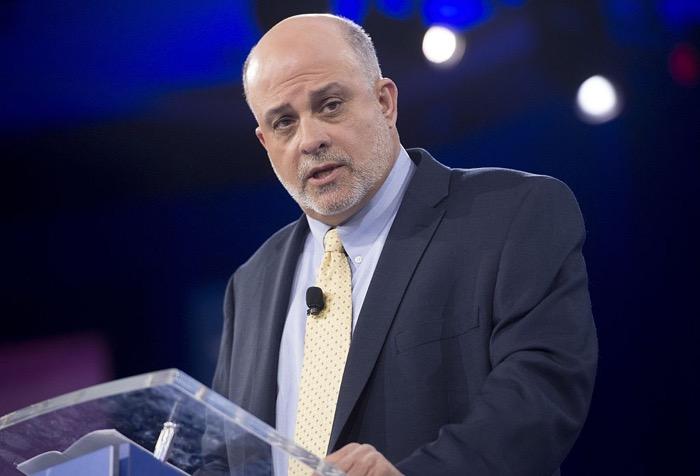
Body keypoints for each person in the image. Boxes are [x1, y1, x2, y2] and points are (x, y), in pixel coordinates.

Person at [211, 13, 598, 476]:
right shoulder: (251, 284)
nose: (310, 139)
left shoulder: (513, 215)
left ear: (385, 101)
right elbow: (225, 456)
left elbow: (540, 399)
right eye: (284, 123)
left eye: (330, 104)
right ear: (264, 142)